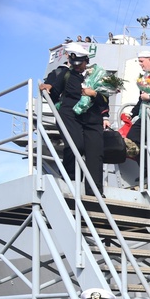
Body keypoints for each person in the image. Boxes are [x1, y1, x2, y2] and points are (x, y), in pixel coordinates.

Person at [42, 44, 107, 193]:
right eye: (73, 64)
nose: (77, 67)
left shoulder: (97, 75)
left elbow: (104, 100)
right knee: (76, 145)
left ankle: (94, 191)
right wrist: (47, 88)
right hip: (70, 115)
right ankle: (70, 179)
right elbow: (54, 91)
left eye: (80, 63)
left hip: (92, 118)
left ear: (86, 61)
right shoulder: (65, 74)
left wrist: (94, 94)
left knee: (95, 152)